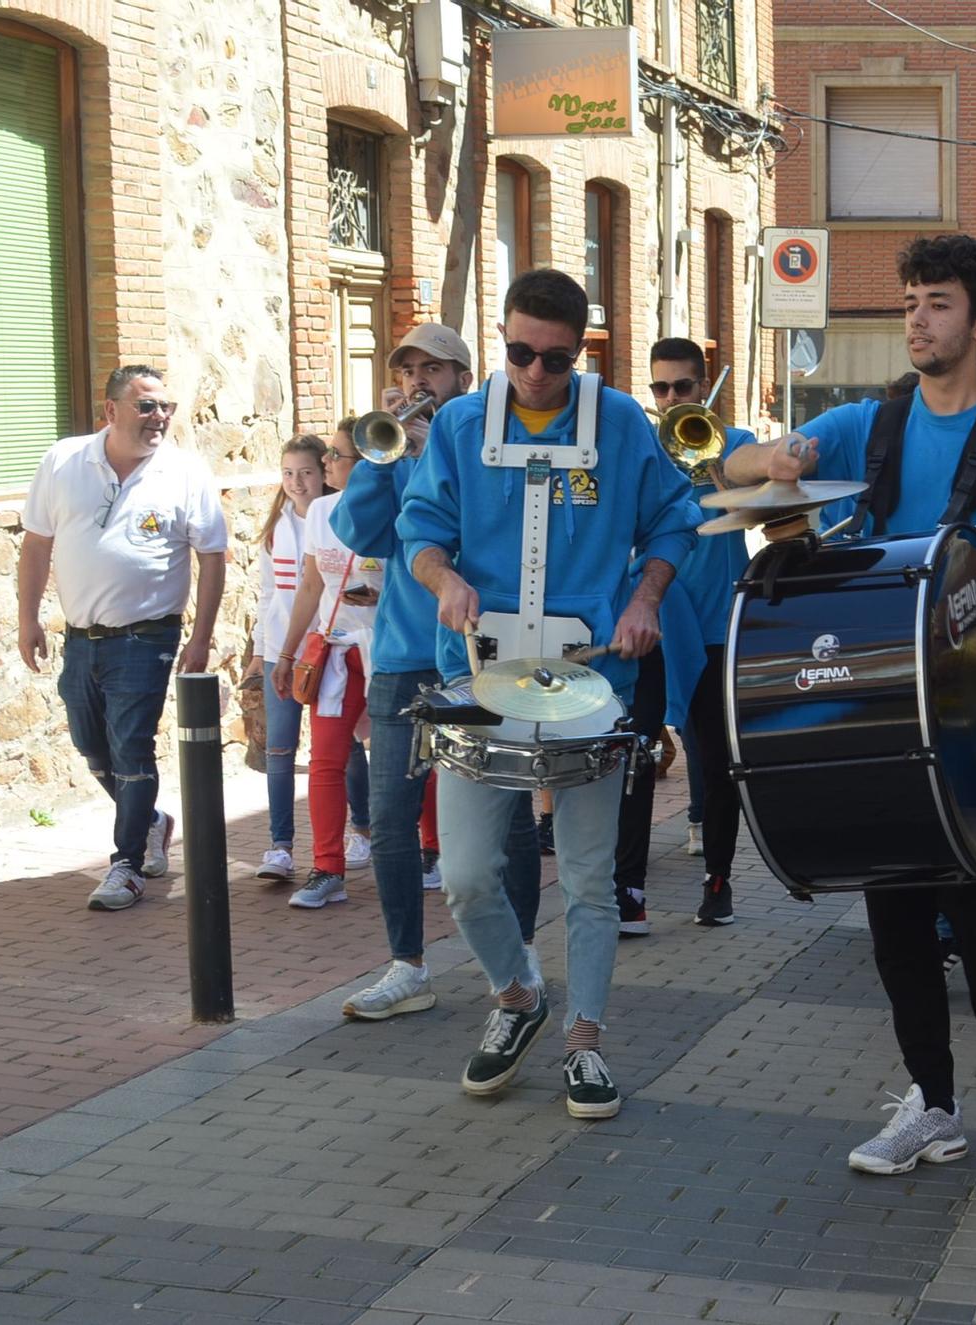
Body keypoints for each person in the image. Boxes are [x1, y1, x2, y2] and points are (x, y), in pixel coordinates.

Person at [723, 234, 976, 1176]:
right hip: (883, 702)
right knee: (897, 912)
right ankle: (932, 1103)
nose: (916, 317)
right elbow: (733, 476)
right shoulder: (873, 421)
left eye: (937, 302)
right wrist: (772, 457)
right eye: (909, 300)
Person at [400, 270, 700, 1119]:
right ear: (501, 340)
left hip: (593, 681)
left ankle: (585, 1039)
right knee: (463, 874)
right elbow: (419, 531)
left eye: (555, 359)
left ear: (582, 351)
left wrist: (644, 600)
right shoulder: (459, 424)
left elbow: (674, 518)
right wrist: (445, 580)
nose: (535, 372)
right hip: (478, 678)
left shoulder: (621, 424)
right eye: (519, 353)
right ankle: (518, 995)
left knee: (590, 880)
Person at [332, 322, 541, 1021]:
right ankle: (406, 965)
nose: (420, 381)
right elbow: (358, 533)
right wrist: (383, 459)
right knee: (391, 816)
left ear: (461, 376)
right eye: (409, 369)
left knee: (505, 812)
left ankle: (520, 958)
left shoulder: (482, 440)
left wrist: (430, 456)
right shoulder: (392, 448)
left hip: (477, 653)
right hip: (399, 655)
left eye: (434, 370)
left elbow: (488, 525)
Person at [18, 365, 227, 911]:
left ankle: (126, 866)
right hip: (81, 638)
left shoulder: (183, 472)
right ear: (111, 411)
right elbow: (37, 545)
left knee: (132, 747)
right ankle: (152, 820)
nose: (159, 417)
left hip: (147, 635)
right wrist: (28, 619)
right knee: (92, 748)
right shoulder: (64, 461)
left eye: (166, 407)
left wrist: (201, 637)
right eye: (146, 407)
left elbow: (211, 555)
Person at [643, 336, 756, 929]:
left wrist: (720, 476)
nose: (669, 398)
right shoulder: (644, 448)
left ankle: (719, 882)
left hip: (716, 628)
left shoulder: (734, 446)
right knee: (637, 757)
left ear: (704, 386)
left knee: (715, 764)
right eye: (659, 388)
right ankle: (628, 891)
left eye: (681, 387)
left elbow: (772, 508)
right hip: (653, 621)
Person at [272, 426, 383, 907]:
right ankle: (326, 868)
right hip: (337, 649)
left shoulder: (398, 505)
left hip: (392, 651)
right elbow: (311, 588)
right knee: (325, 761)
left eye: (338, 456)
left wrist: (382, 595)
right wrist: (286, 652)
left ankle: (430, 850)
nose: (329, 463)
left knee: (406, 758)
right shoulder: (321, 511)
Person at [248, 434, 357, 885]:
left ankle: (362, 829)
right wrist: (261, 652)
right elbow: (268, 594)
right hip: (283, 651)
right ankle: (280, 846)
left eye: (307, 472)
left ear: (324, 474)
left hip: (331, 647)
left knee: (340, 749)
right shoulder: (275, 530)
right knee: (278, 748)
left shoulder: (337, 518)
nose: (297, 482)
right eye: (288, 473)